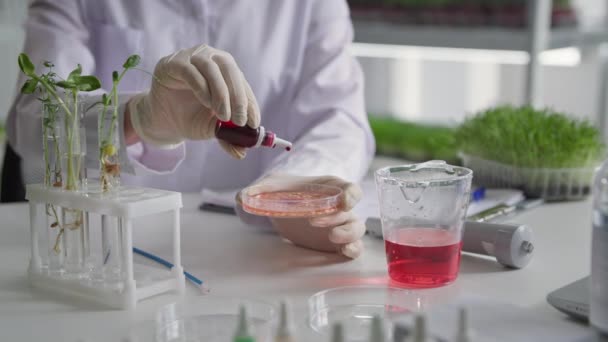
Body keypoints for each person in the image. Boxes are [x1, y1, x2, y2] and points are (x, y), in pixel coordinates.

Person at [6, 0, 375, 258]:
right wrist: (138, 117)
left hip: (249, 252)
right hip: (100, 245)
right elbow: (32, 116)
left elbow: (339, 119)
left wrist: (295, 198)